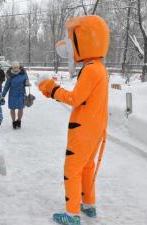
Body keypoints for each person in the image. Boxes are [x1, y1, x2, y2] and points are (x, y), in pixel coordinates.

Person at [38, 15, 109, 225]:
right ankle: (89, 204)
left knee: (72, 170)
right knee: (87, 166)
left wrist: (51, 88)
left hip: (84, 129)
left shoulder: (90, 69)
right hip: (96, 128)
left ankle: (72, 214)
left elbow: (75, 98)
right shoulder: (100, 68)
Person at [2, 61, 30, 129]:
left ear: (19, 67)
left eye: (17, 67)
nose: (15, 69)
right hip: (12, 95)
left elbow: (27, 82)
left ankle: (19, 121)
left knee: (21, 109)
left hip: (21, 94)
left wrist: (27, 83)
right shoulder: (10, 75)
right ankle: (14, 122)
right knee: (12, 109)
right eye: (14, 67)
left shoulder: (23, 74)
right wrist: (3, 95)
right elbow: (6, 86)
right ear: (12, 67)